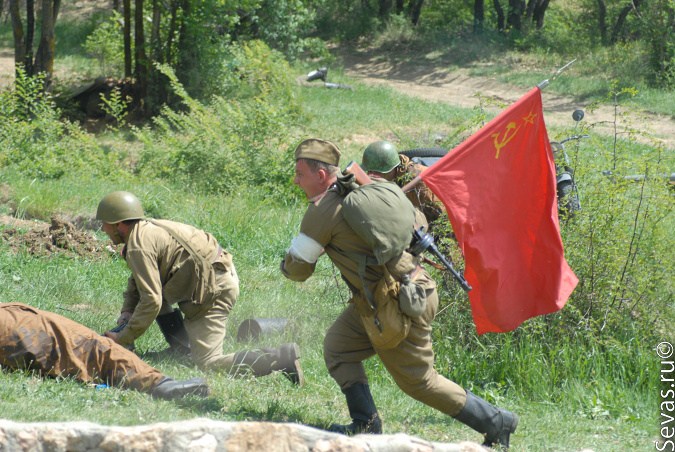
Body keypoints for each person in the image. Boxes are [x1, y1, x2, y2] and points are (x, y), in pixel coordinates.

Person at [280, 138, 518, 449]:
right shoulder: (368, 187)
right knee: (339, 347)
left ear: (322, 175)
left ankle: (496, 421)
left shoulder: (323, 210)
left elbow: (298, 271)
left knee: (419, 381)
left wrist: (287, 261)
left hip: (397, 302)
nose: (296, 180)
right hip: (403, 289)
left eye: (300, 174)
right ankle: (366, 424)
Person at [96, 191, 303, 385]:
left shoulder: (138, 245)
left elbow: (151, 300)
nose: (103, 229)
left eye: (105, 224)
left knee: (209, 362)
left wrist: (123, 338)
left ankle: (279, 358)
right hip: (215, 276)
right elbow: (139, 279)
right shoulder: (146, 230)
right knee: (158, 302)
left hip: (214, 290)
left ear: (119, 224)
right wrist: (127, 312)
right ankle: (183, 349)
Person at [0, 302, 209, 400]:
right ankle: (158, 384)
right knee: (89, 347)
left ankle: (157, 382)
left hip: (12, 318)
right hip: (13, 323)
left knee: (83, 344)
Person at [360, 140, 444, 226]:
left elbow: (442, 216)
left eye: (377, 172)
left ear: (391, 168)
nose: (372, 175)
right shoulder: (392, 175)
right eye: (369, 171)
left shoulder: (420, 182)